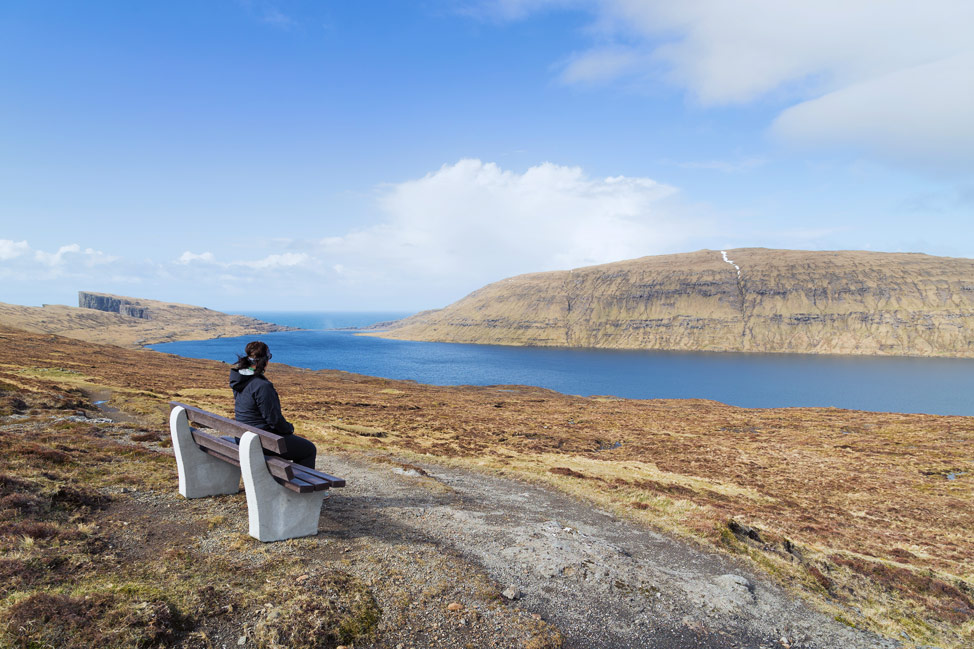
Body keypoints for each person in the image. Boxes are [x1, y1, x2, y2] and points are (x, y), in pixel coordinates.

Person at [229, 341, 317, 469]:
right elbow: (274, 420)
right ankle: (304, 487)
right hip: (262, 441)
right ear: (265, 360)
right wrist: (288, 429)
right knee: (308, 449)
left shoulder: (240, 380)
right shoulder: (262, 386)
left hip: (243, 437)